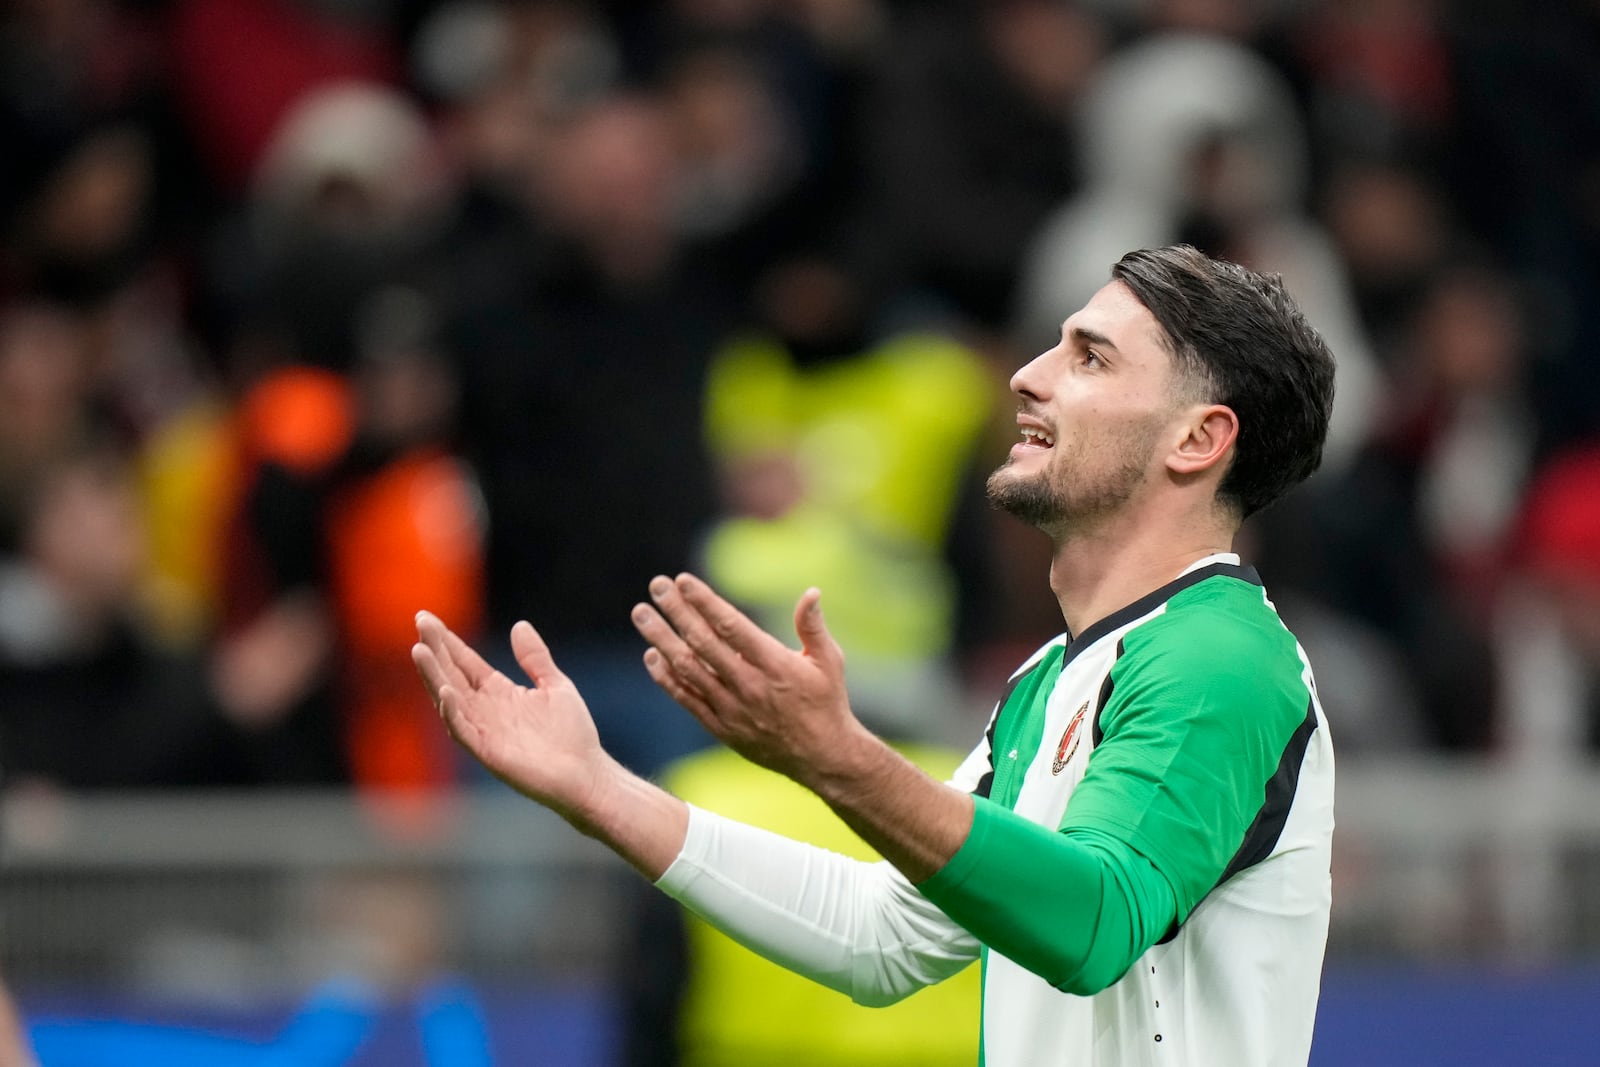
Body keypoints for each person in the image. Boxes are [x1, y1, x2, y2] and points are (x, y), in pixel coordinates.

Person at [412, 244, 1337, 1066]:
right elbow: (884, 934)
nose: (1025, 376)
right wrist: (596, 786)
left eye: (1090, 357)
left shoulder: (1217, 655)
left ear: (1199, 438)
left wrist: (835, 757)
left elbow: (1095, 923)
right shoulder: (1054, 678)